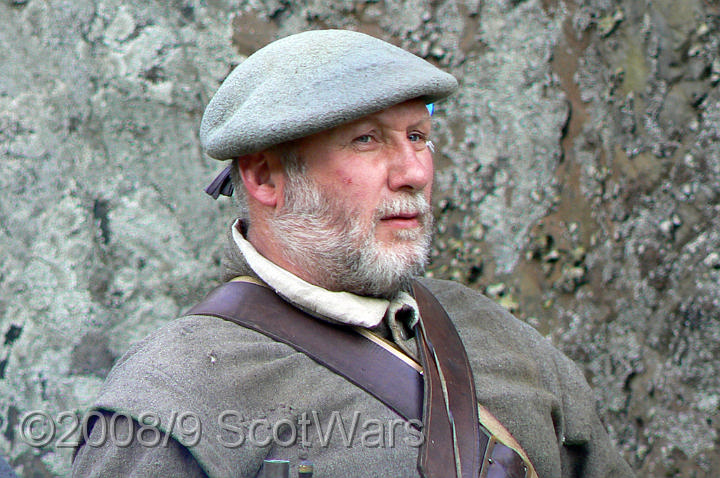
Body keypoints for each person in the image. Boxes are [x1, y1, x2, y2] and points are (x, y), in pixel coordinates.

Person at [72, 30, 634, 478]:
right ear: (266, 176)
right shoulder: (171, 398)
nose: (414, 172)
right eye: (367, 139)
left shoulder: (499, 338)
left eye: (417, 136)